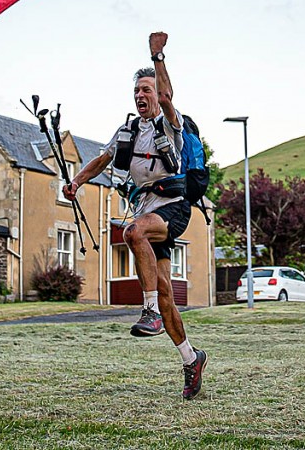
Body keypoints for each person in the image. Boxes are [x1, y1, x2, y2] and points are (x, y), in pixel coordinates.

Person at [64, 31, 207, 400]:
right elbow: (102, 158)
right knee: (165, 292)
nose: (142, 97)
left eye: (147, 91)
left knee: (133, 233)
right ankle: (191, 358)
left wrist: (157, 57)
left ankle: (148, 314)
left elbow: (167, 95)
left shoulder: (170, 125)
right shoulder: (128, 130)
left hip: (173, 207)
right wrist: (77, 181)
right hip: (146, 206)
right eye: (137, 92)